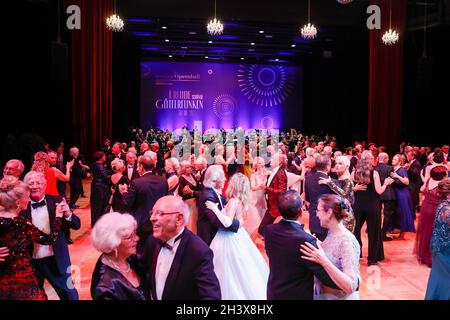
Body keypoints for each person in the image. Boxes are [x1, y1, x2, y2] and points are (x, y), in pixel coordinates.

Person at [140, 195, 221, 300]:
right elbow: (141, 273)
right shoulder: (152, 241)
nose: (152, 218)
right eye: (152, 213)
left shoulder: (198, 251)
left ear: (179, 219)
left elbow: (211, 296)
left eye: (160, 214)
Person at [264, 190, 339, 300]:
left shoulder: (269, 230)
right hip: (298, 295)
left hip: (274, 293)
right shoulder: (307, 240)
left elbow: (271, 254)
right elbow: (324, 277)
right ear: (300, 211)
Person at [205, 173, 269, 299]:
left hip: (227, 238)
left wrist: (214, 209)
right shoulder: (241, 201)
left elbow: (227, 222)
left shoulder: (233, 201)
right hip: (239, 236)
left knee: (226, 268)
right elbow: (241, 220)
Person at [20, 171, 80, 300]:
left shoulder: (57, 201)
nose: (35, 186)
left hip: (58, 260)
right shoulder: (20, 207)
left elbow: (77, 225)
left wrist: (68, 213)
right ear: (25, 186)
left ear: (45, 185)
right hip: (32, 263)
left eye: (38, 183)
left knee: (70, 295)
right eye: (31, 183)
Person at [0, 177, 63, 300]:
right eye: (27, 197)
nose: (29, 200)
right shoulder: (22, 224)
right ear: (18, 203)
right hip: (23, 284)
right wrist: (59, 216)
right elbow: (50, 239)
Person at [300, 194, 360, 300]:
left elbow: (350, 286)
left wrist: (323, 261)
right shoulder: (332, 232)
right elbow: (333, 253)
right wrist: (318, 244)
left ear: (329, 212)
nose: (316, 215)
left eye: (318, 210)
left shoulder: (347, 242)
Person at [90, 212, 149, 300]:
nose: (137, 238)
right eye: (129, 237)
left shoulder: (130, 258)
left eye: (135, 233)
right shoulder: (104, 288)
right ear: (113, 244)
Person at [120, 155, 168, 253]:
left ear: (141, 166)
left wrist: (124, 193)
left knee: (142, 253)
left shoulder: (137, 183)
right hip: (160, 222)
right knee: (158, 251)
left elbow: (127, 203)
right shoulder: (163, 180)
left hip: (143, 225)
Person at [352, 151, 393, 265]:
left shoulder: (355, 172)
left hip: (358, 205)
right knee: (373, 232)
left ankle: (356, 254)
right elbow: (379, 191)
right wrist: (386, 183)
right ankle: (372, 259)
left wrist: (355, 188)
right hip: (372, 205)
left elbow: (351, 187)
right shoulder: (374, 173)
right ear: (370, 159)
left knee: (355, 230)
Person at [197, 165, 240, 246]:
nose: (225, 179)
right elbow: (216, 221)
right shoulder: (208, 196)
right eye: (223, 177)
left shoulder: (213, 192)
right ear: (214, 180)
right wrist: (237, 224)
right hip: (209, 237)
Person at [415, 165, 447, 267]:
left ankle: (424, 256)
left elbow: (421, 189)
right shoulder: (442, 184)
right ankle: (431, 259)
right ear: (442, 175)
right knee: (434, 234)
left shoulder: (429, 180)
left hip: (425, 208)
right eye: (445, 173)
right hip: (435, 210)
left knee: (426, 232)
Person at [425, 178, 450, 300]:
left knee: (439, 279)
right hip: (444, 251)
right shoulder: (446, 209)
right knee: (443, 281)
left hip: (440, 249)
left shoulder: (444, 204)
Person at [318, 155, 356, 232]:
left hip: (346, 218)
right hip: (339, 215)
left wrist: (330, 183)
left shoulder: (347, 180)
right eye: (336, 163)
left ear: (347, 166)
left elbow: (344, 194)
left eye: (340, 163)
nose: (337, 166)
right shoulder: (338, 179)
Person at [304, 155, 336, 241]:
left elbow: (307, 199)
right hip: (327, 222)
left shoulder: (308, 177)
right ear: (327, 167)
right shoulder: (332, 183)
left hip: (313, 218)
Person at [258, 153, 288, 237]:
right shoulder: (275, 171)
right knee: (265, 228)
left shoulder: (281, 173)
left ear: (279, 162)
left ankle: (273, 242)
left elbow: (282, 192)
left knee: (262, 229)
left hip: (275, 206)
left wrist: (266, 188)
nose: (270, 160)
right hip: (271, 204)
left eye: (273, 159)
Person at [391, 154, 416, 238]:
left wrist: (397, 176)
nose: (393, 160)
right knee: (398, 212)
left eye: (395, 159)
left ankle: (403, 233)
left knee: (403, 212)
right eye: (393, 159)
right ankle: (398, 229)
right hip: (397, 192)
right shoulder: (394, 169)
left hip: (402, 194)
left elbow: (407, 182)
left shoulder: (401, 170)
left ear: (399, 161)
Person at [375, 153, 398, 241]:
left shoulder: (375, 168)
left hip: (377, 193)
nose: (388, 160)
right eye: (388, 159)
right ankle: (383, 234)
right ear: (385, 159)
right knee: (387, 215)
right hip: (388, 193)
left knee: (377, 213)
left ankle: (374, 231)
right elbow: (393, 179)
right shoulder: (389, 168)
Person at [178, 160, 201, 234]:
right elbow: (180, 192)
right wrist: (186, 192)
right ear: (183, 169)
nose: (190, 169)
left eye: (190, 167)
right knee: (191, 222)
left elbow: (197, 188)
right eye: (187, 168)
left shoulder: (192, 176)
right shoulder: (181, 178)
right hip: (189, 203)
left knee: (196, 220)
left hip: (196, 202)